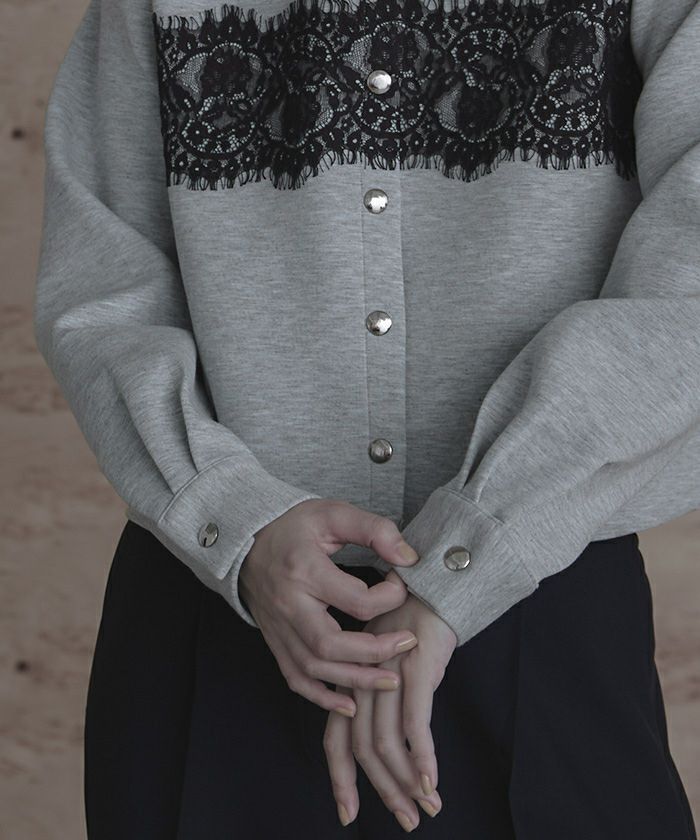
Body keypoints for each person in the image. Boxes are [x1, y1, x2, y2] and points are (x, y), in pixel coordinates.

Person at [33, 0, 700, 836]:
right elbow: (102, 289)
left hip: (544, 608)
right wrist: (236, 522)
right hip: (218, 612)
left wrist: (470, 555)